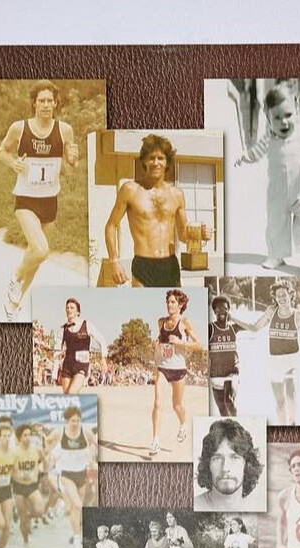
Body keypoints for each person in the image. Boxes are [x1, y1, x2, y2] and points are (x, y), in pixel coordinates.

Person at [0, 80, 78, 317]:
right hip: (26, 198)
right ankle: (15, 276)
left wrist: (72, 159)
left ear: (56, 103)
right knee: (41, 251)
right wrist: (13, 163)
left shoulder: (64, 130)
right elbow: (2, 151)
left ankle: (14, 304)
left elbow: (70, 167)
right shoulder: (19, 128)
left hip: (50, 200)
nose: (46, 105)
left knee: (36, 255)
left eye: (50, 101)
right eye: (41, 100)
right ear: (34, 103)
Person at [234, 84, 300, 271]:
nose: (283, 122)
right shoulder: (268, 139)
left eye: (288, 115)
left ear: (297, 109)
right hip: (278, 194)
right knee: (276, 225)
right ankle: (276, 256)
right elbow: (255, 153)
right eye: (276, 117)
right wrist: (243, 157)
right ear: (268, 117)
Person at [104, 133, 187, 287]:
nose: (156, 163)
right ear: (144, 161)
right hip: (143, 266)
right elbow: (111, 225)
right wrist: (114, 260)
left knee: (172, 303)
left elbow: (183, 235)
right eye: (151, 158)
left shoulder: (177, 194)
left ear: (167, 162)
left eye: (161, 158)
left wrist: (199, 234)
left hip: (170, 265)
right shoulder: (130, 190)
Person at [239, 280, 300, 425]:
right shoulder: (271, 312)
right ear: (275, 298)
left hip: (292, 359)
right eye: (278, 296)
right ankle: (283, 425)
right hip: (275, 361)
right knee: (279, 402)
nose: (281, 298)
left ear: (290, 295)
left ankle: (293, 422)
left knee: (290, 392)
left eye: (284, 295)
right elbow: (254, 328)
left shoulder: (298, 315)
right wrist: (233, 319)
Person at [151, 289, 202, 458]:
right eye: (168, 302)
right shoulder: (161, 322)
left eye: (173, 302)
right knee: (158, 403)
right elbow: (161, 339)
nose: (169, 304)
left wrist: (180, 342)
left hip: (179, 369)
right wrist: (156, 342)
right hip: (163, 368)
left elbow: (198, 344)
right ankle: (155, 440)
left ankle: (183, 423)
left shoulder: (184, 322)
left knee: (176, 405)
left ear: (180, 305)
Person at [194, 417, 263, 512]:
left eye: (234, 458)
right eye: (217, 458)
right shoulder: (193, 506)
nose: (225, 468)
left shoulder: (258, 509)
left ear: (247, 464)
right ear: (208, 464)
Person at [52, 404, 97, 545]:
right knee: (76, 505)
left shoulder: (86, 432)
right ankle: (78, 539)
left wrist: (92, 453)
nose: (75, 423)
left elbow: (96, 443)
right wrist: (53, 454)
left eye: (77, 420)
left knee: (78, 507)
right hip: (65, 474)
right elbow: (48, 443)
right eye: (72, 420)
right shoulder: (60, 432)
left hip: (81, 473)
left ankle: (75, 532)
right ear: (67, 421)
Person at [53, 298, 107, 394]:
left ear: (78, 312)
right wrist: (54, 372)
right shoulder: (62, 329)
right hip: (67, 365)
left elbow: (101, 340)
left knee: (71, 394)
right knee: (68, 397)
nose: (69, 310)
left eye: (72, 308)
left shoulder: (87, 325)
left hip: (82, 364)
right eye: (67, 308)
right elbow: (57, 351)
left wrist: (103, 358)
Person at [10, 424, 47, 548]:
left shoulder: (36, 450)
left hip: (32, 485)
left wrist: (43, 474)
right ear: (19, 437)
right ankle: (26, 543)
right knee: (23, 518)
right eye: (25, 435)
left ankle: (27, 518)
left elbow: (44, 460)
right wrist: (19, 476)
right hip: (19, 486)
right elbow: (9, 471)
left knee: (40, 510)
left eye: (29, 435)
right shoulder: (14, 452)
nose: (28, 437)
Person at [208, 295, 241, 416]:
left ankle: (238, 424)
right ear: (214, 311)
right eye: (218, 309)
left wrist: (234, 318)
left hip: (232, 372)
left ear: (229, 310)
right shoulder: (211, 328)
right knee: (223, 412)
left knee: (229, 401)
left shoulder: (233, 328)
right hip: (216, 374)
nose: (221, 311)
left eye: (225, 309)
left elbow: (254, 327)